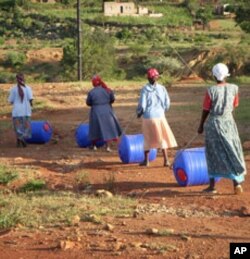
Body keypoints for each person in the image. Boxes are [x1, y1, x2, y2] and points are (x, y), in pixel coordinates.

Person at [198, 63, 247, 194]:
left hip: (214, 125)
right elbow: (234, 105)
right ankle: (236, 183)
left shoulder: (211, 90)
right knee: (231, 150)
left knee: (213, 154)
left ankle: (212, 186)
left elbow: (206, 110)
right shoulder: (234, 88)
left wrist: (201, 125)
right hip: (229, 123)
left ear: (214, 75)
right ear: (226, 75)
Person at [137, 68, 177, 167]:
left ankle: (146, 161)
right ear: (157, 78)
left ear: (148, 78)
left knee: (147, 138)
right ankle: (166, 161)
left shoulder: (144, 89)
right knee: (162, 138)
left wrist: (139, 112)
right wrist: (163, 110)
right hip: (160, 117)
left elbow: (142, 105)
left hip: (148, 117)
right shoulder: (162, 88)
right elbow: (167, 102)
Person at [86, 75, 122, 152]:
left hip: (96, 111)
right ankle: (108, 147)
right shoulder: (108, 90)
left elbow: (88, 103)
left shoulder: (91, 92)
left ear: (93, 83)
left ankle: (94, 145)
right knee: (108, 128)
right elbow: (112, 99)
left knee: (95, 128)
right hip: (107, 110)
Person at [8, 73, 33, 148]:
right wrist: (31, 105)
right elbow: (30, 99)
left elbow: (10, 100)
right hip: (26, 111)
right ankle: (22, 139)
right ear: (24, 79)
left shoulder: (13, 89)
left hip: (17, 111)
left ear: (16, 80)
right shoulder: (28, 88)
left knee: (18, 127)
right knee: (26, 127)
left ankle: (19, 140)